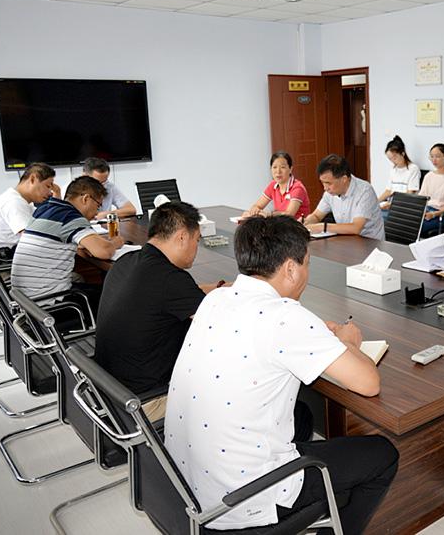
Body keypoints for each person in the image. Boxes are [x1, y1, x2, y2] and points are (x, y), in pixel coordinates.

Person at [165, 216, 399, 533]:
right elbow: (368, 383)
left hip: (185, 485)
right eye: (307, 263)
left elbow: (263, 330)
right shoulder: (286, 318)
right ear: (290, 268)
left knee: (302, 415)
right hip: (239, 498)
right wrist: (347, 343)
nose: (307, 272)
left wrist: (315, 333)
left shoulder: (216, 299)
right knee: (382, 455)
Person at [94, 202, 230, 422]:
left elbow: (176, 295)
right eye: (197, 240)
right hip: (144, 402)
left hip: (109, 389)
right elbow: (222, 326)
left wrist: (219, 287)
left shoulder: (128, 261)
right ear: (182, 237)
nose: (196, 248)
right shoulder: (170, 278)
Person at [10, 176, 123, 313]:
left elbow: (56, 240)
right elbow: (104, 251)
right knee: (116, 297)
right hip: (49, 305)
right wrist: (115, 242)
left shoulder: (45, 209)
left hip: (26, 301)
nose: (96, 213)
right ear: (86, 199)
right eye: (98, 205)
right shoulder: (70, 217)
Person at [0, 162, 60, 260]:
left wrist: (57, 195)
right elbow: (34, 239)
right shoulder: (14, 203)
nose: (50, 193)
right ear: (33, 179)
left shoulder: (18, 200)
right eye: (48, 186)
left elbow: (47, 222)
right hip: (7, 258)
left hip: (5, 254)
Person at [303, 154, 385, 240]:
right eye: (322, 182)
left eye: (328, 183)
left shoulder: (365, 191)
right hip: (346, 241)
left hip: (370, 243)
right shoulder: (329, 193)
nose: (325, 188)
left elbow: (356, 228)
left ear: (344, 179)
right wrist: (305, 222)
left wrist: (323, 227)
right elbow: (317, 215)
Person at [241, 151, 311, 221]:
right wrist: (254, 211)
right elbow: (257, 205)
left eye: (283, 167)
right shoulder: (273, 185)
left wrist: (269, 214)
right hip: (280, 224)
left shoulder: (297, 188)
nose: (278, 171)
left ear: (290, 169)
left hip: (297, 225)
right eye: (274, 167)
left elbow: (289, 214)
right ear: (271, 169)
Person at [376, 135, 420, 214]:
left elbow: (410, 194)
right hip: (391, 205)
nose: (393, 161)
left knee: (377, 217)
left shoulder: (413, 169)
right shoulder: (393, 170)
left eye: (395, 158)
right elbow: (388, 191)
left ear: (402, 153)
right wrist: (375, 202)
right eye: (390, 159)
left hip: (404, 207)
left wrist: (392, 204)